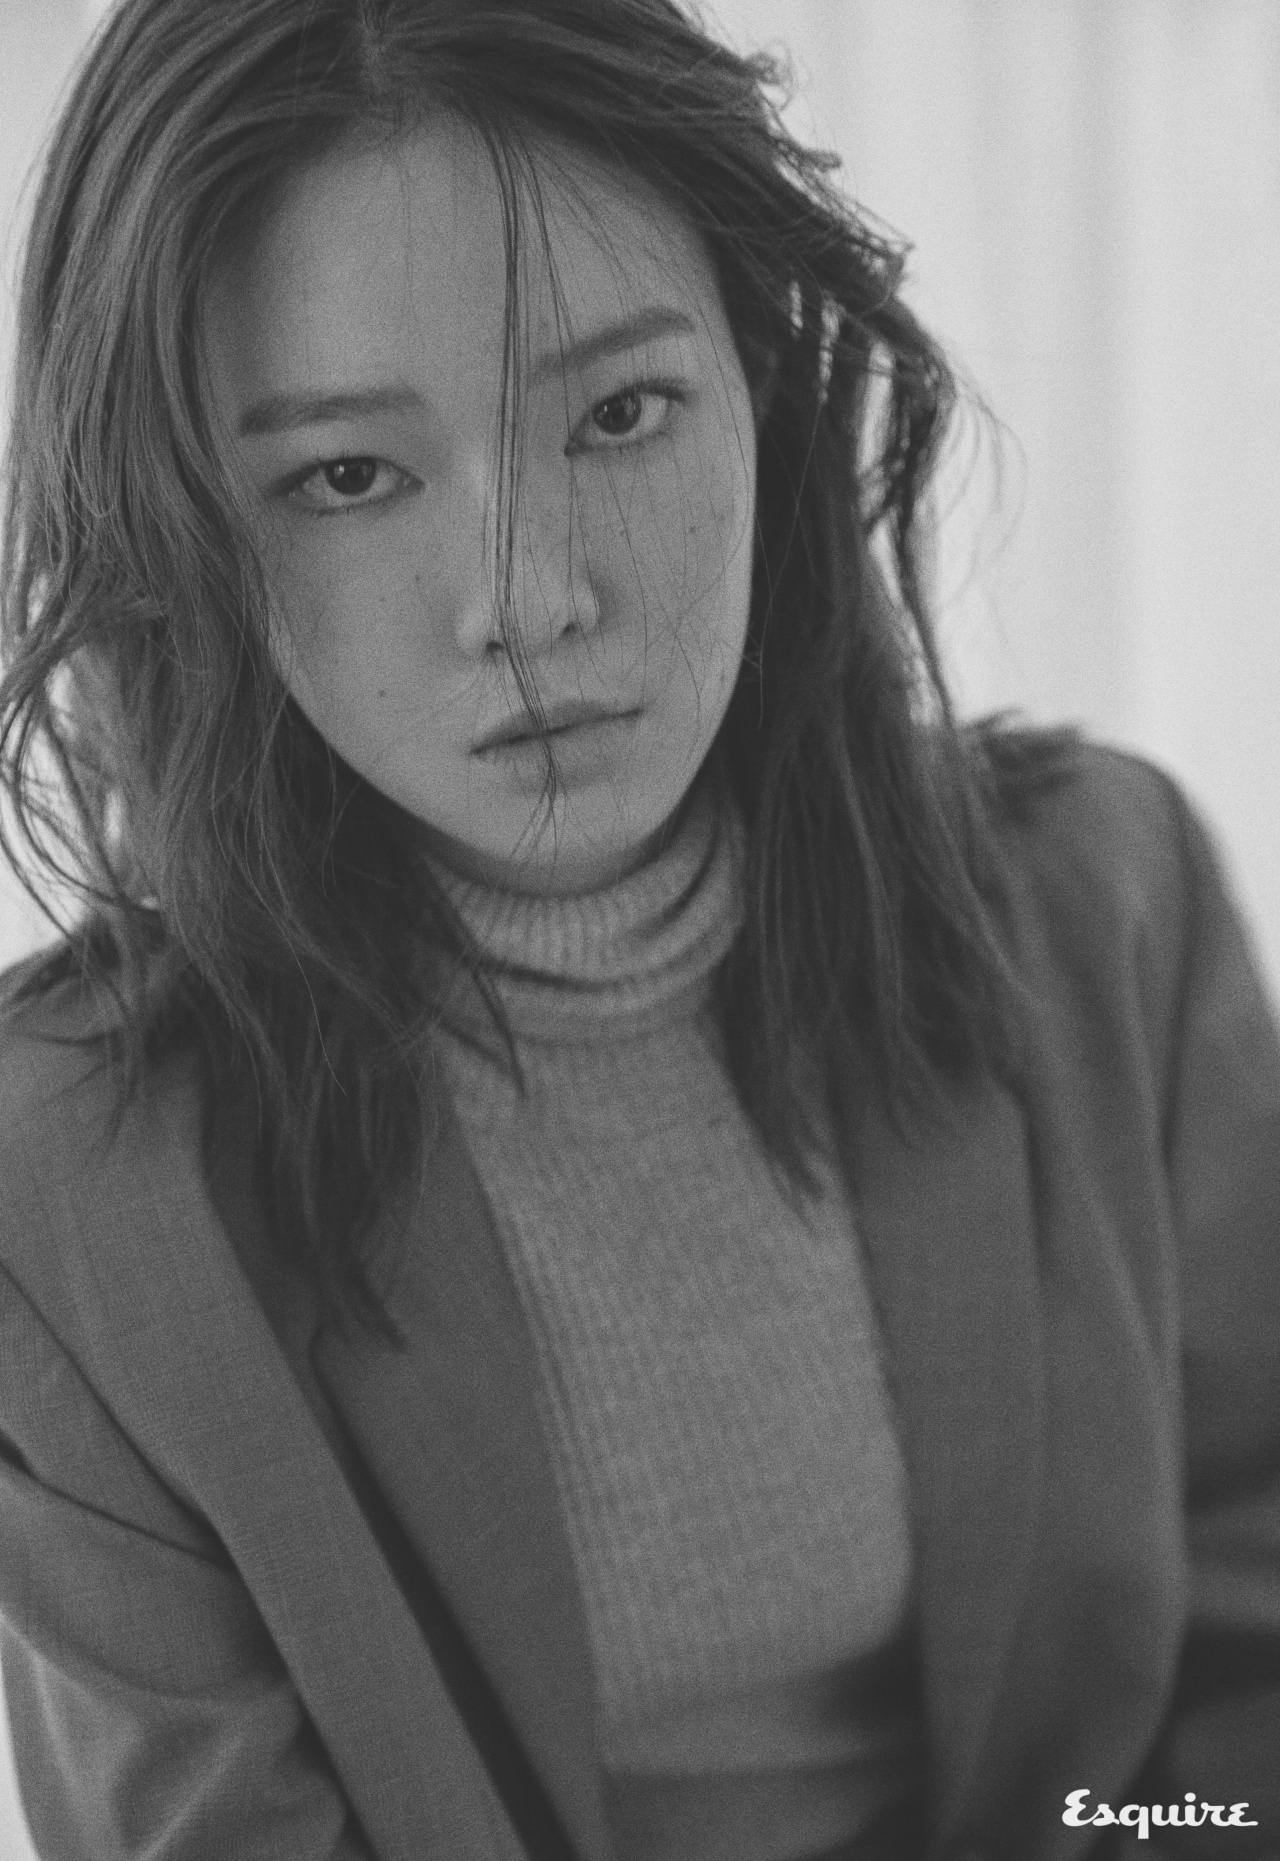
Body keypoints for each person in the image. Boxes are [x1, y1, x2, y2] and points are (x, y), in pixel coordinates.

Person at [0, 1, 1277, 1857]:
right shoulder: (75, 1193)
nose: (530, 599)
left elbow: (1251, 1679)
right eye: (348, 475)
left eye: (619, 413)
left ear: (762, 389)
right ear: (182, 528)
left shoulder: (1107, 905)